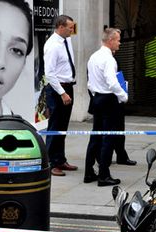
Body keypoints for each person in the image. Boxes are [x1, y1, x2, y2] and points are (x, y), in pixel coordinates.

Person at [85, 28, 128, 187]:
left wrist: (95, 94)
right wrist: (123, 96)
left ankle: (89, 172)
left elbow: (89, 83)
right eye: (117, 39)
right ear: (110, 40)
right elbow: (112, 82)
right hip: (109, 99)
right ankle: (104, 175)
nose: (119, 42)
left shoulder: (94, 56)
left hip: (97, 98)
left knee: (95, 136)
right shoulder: (109, 59)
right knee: (108, 138)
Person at [43, 15, 78, 176]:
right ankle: (50, 162)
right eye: (70, 27)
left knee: (63, 127)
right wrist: (62, 93)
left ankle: (60, 159)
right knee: (55, 126)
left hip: (68, 87)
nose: (72, 29)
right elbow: (49, 74)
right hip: (58, 90)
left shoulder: (66, 40)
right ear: (60, 27)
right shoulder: (52, 45)